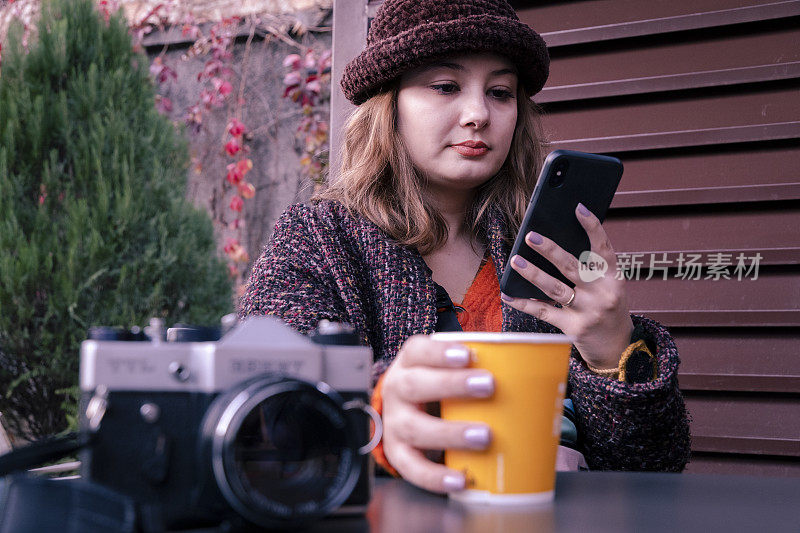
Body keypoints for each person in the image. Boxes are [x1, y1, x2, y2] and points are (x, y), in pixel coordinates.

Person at [240, 0, 690, 494]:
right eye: (445, 86)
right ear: (388, 103)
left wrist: (613, 351)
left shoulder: (545, 248)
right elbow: (268, 407)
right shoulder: (319, 239)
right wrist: (384, 411)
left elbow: (654, 469)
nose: (478, 114)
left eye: (500, 92)